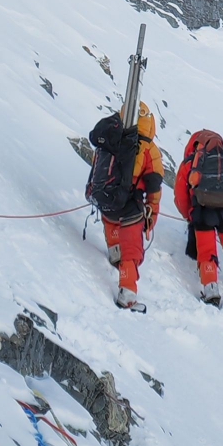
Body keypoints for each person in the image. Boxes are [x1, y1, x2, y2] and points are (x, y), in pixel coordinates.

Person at [86, 103, 164, 308]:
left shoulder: (111, 138)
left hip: (106, 203)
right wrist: (152, 214)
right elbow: (154, 186)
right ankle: (127, 293)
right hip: (130, 209)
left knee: (112, 224)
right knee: (131, 251)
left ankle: (114, 254)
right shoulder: (149, 149)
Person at [175, 130, 223, 305]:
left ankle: (211, 291)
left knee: (206, 251)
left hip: (202, 213)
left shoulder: (191, 163)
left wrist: (189, 214)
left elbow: (180, 194)